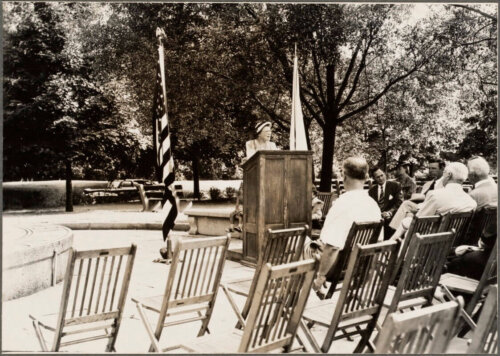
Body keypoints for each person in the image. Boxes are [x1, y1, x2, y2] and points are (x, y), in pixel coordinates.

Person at [312, 157, 382, 299]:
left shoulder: (341, 204)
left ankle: (291, 305)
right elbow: (378, 244)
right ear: (367, 177)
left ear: (344, 176)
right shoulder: (373, 205)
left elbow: (332, 248)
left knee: (301, 248)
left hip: (337, 269)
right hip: (360, 270)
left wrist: (320, 277)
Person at [391, 162, 477, 240]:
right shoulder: (471, 203)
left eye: (444, 173)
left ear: (449, 175)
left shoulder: (435, 195)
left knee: (406, 221)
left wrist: (408, 219)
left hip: (426, 244)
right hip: (452, 243)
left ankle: (388, 247)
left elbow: (418, 223)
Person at [228, 122, 279, 233]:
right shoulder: (250, 143)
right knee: (248, 200)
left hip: (269, 177)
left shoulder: (272, 145)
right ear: (259, 133)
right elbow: (253, 158)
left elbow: (276, 159)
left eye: (270, 132)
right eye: (266, 132)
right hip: (253, 177)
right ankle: (245, 223)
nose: (269, 134)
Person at [389, 158, 446, 231]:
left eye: (434, 168)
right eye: (429, 168)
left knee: (406, 205)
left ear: (442, 169)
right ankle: (401, 236)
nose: (430, 170)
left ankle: (393, 231)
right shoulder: (428, 184)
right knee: (408, 213)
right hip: (421, 207)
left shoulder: (444, 184)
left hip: (432, 210)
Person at [368, 167, 402, 240]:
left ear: (385, 174)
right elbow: (370, 206)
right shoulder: (371, 191)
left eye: (382, 175)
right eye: (377, 177)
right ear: (374, 178)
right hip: (377, 217)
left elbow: (399, 202)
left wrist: (389, 212)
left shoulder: (395, 185)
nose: (381, 178)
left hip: (391, 217)